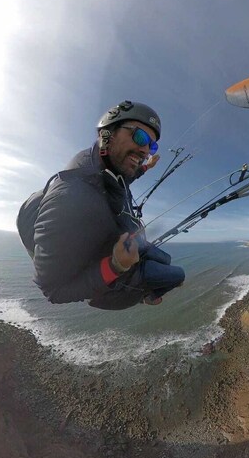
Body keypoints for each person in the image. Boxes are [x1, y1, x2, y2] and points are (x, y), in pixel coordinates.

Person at [17, 100, 185, 310]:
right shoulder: (70, 202)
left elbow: (117, 180)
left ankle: (146, 283)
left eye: (151, 146)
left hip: (116, 246)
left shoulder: (98, 160)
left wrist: (144, 168)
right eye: (140, 137)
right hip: (112, 279)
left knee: (165, 259)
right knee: (177, 275)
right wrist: (116, 265)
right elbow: (53, 291)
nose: (145, 151)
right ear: (108, 134)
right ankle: (147, 295)